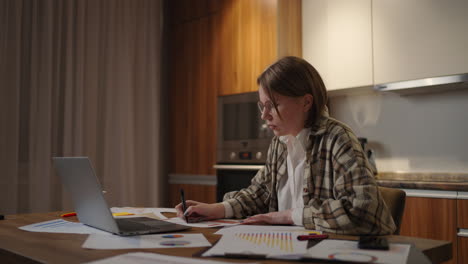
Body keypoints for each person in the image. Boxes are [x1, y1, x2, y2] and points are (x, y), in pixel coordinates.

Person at [176, 56, 396, 235]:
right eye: (262, 106)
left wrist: (288, 215)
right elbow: (260, 193)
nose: (264, 115)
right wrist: (217, 209)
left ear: (306, 102)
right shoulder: (279, 144)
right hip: (286, 248)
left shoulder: (338, 139)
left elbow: (362, 212)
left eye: (273, 105)